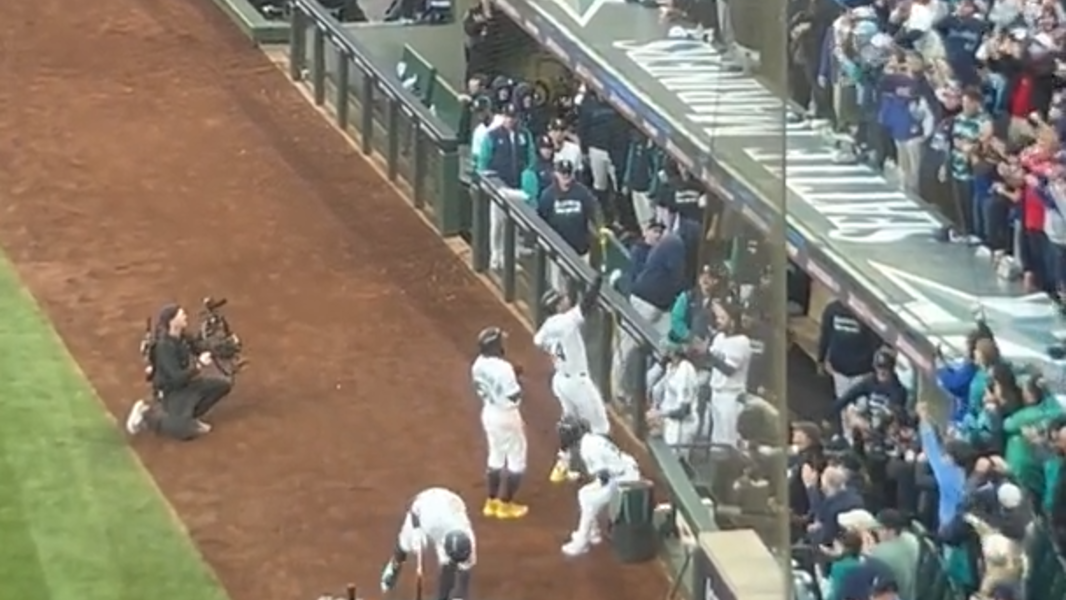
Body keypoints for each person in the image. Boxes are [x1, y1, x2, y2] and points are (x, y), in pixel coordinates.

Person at [125, 303, 232, 441]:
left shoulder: (183, 337)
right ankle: (146, 414)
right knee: (184, 433)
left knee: (222, 386)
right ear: (172, 321)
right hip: (170, 392)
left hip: (186, 385)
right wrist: (198, 365)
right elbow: (176, 378)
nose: (186, 316)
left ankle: (188, 416)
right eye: (182, 315)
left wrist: (220, 348)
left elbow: (200, 348)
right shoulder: (164, 347)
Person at [551, 415, 641, 557]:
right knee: (584, 493)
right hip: (623, 470)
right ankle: (593, 533)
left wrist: (578, 476)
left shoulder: (587, 449)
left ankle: (582, 542)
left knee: (590, 502)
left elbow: (603, 477)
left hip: (625, 480)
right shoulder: (591, 439)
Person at [534, 274, 609, 437]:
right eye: (562, 300)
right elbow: (586, 304)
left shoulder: (546, 327)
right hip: (578, 382)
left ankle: (567, 450)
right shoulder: (566, 321)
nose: (566, 299)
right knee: (600, 427)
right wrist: (597, 283)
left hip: (561, 381)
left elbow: (538, 341)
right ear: (557, 307)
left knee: (570, 424)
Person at [470, 326, 528, 519]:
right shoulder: (504, 369)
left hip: (489, 413)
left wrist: (512, 374)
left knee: (495, 455)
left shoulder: (477, 364)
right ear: (495, 346)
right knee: (516, 460)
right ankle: (506, 505)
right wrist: (519, 381)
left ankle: (491, 502)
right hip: (507, 415)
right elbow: (515, 396)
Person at [379, 487, 475, 600]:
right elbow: (413, 507)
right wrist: (417, 530)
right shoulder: (429, 518)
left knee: (447, 567)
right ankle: (394, 565)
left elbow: (464, 579)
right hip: (423, 513)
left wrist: (459, 597)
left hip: (449, 509)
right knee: (404, 544)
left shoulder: (467, 542)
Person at [536, 159, 599, 292]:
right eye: (562, 174)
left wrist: (600, 226)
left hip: (580, 249)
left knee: (581, 285)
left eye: (568, 174)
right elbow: (541, 219)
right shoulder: (548, 195)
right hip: (557, 249)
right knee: (558, 289)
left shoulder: (582, 192)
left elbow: (594, 209)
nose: (566, 177)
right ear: (556, 174)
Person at [703, 300, 753, 448]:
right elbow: (710, 361)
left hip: (731, 396)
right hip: (716, 393)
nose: (718, 321)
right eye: (718, 317)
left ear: (733, 321)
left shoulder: (742, 341)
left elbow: (729, 370)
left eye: (723, 318)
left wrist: (707, 354)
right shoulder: (719, 337)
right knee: (716, 439)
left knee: (729, 440)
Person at [817, 298, 879, 399]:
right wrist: (820, 359)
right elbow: (825, 335)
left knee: (859, 403)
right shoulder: (833, 309)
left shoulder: (868, 315)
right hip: (839, 368)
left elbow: (876, 343)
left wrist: (875, 369)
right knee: (842, 399)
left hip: (862, 371)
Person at [648, 342, 700, 460]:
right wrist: (656, 409)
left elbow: (684, 411)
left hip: (682, 425)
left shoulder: (685, 370)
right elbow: (657, 389)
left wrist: (660, 414)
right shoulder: (671, 367)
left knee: (675, 461)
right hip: (669, 422)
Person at [869, 509, 920, 600]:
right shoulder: (912, 540)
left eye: (879, 528)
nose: (876, 532)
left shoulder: (880, 553)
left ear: (891, 531)